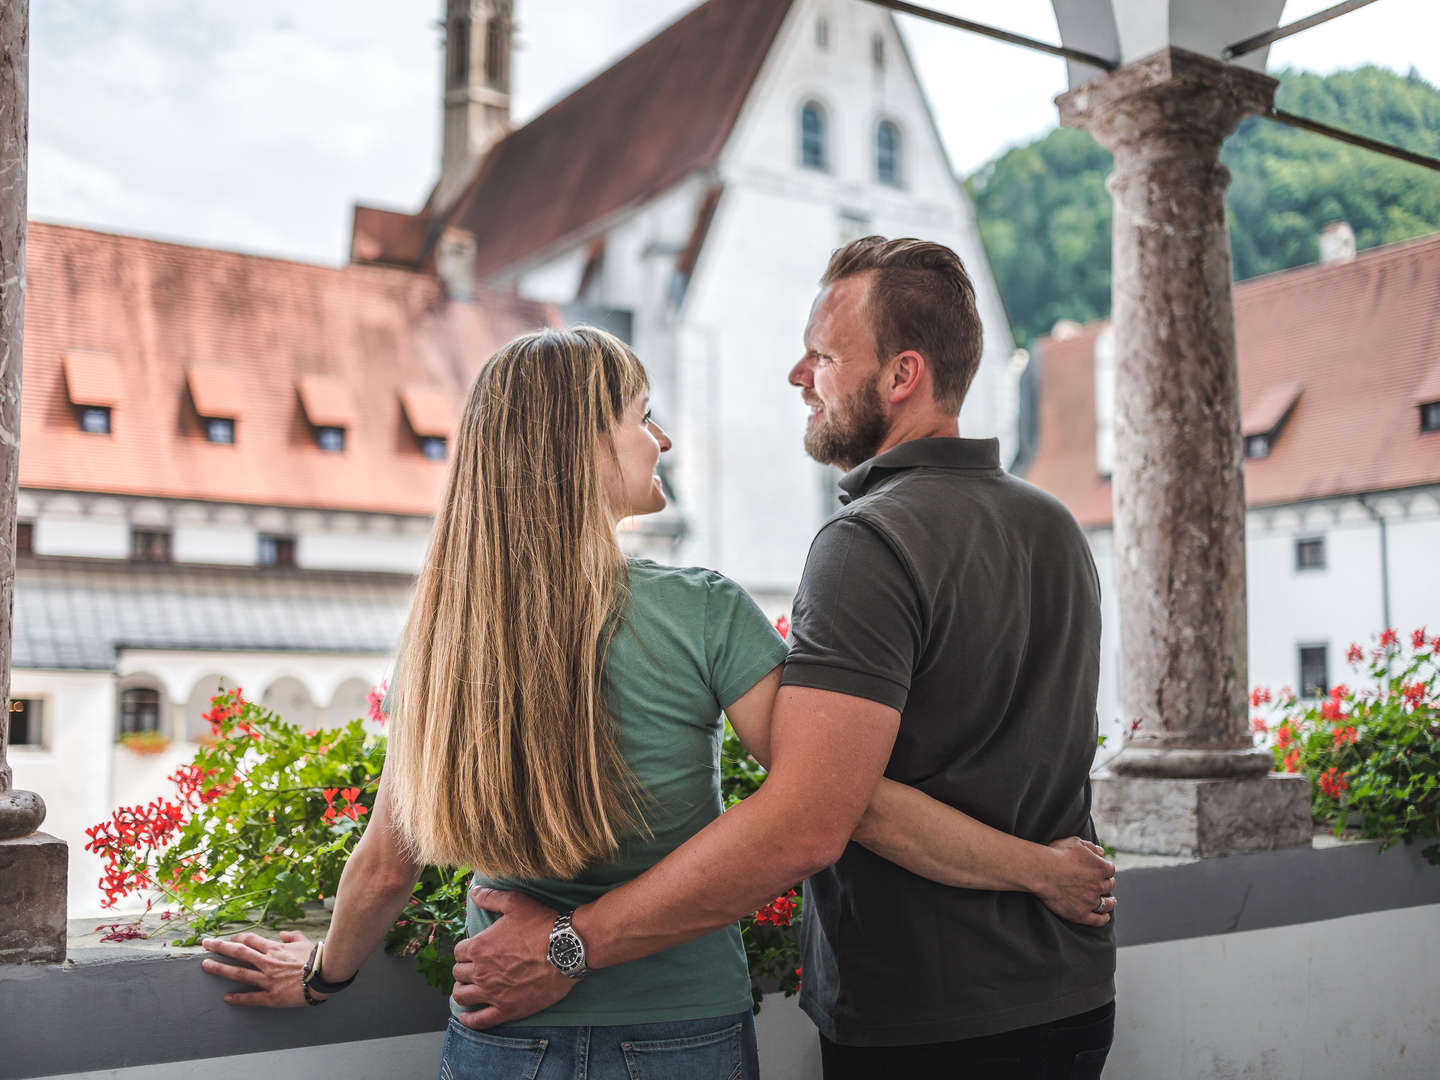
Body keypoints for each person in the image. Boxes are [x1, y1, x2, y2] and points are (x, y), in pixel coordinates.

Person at [199, 324, 1115, 1079]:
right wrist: (1035, 868)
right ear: (582, 445)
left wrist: (320, 977)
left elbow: (387, 865)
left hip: (500, 1041)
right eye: (643, 418)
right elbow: (836, 803)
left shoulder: (449, 634)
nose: (661, 439)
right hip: (683, 1036)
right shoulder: (705, 613)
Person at [449, 240, 1118, 1078]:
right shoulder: (1054, 524)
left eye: (824, 356)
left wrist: (565, 947)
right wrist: (1043, 873)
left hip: (926, 1011)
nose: (799, 375)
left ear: (902, 375)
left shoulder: (866, 542)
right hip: (1073, 993)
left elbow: (817, 808)